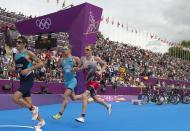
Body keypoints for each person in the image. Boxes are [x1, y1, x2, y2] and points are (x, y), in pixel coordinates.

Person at [11, 36, 45, 130]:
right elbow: (17, 69)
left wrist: (29, 69)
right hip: (22, 80)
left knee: (15, 98)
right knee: (29, 103)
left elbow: (41, 63)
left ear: (24, 44)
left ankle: (34, 108)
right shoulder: (16, 55)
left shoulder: (28, 53)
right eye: (16, 42)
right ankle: (41, 121)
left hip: (29, 79)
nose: (17, 44)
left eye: (19, 42)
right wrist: (13, 69)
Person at [75, 44, 112, 123]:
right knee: (96, 99)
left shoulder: (96, 58)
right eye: (85, 49)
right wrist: (78, 68)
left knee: (85, 95)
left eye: (88, 50)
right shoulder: (82, 59)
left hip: (95, 81)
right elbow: (79, 69)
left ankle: (82, 116)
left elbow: (105, 64)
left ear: (91, 50)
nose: (86, 51)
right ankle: (108, 106)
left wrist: (100, 71)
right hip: (87, 82)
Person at [52, 44, 82, 120]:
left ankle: (60, 114)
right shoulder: (62, 60)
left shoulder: (75, 58)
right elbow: (59, 68)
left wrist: (76, 68)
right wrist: (60, 70)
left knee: (65, 95)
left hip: (73, 80)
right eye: (63, 49)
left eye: (65, 49)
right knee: (74, 98)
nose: (64, 50)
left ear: (69, 50)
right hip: (66, 81)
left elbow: (81, 66)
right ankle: (86, 97)